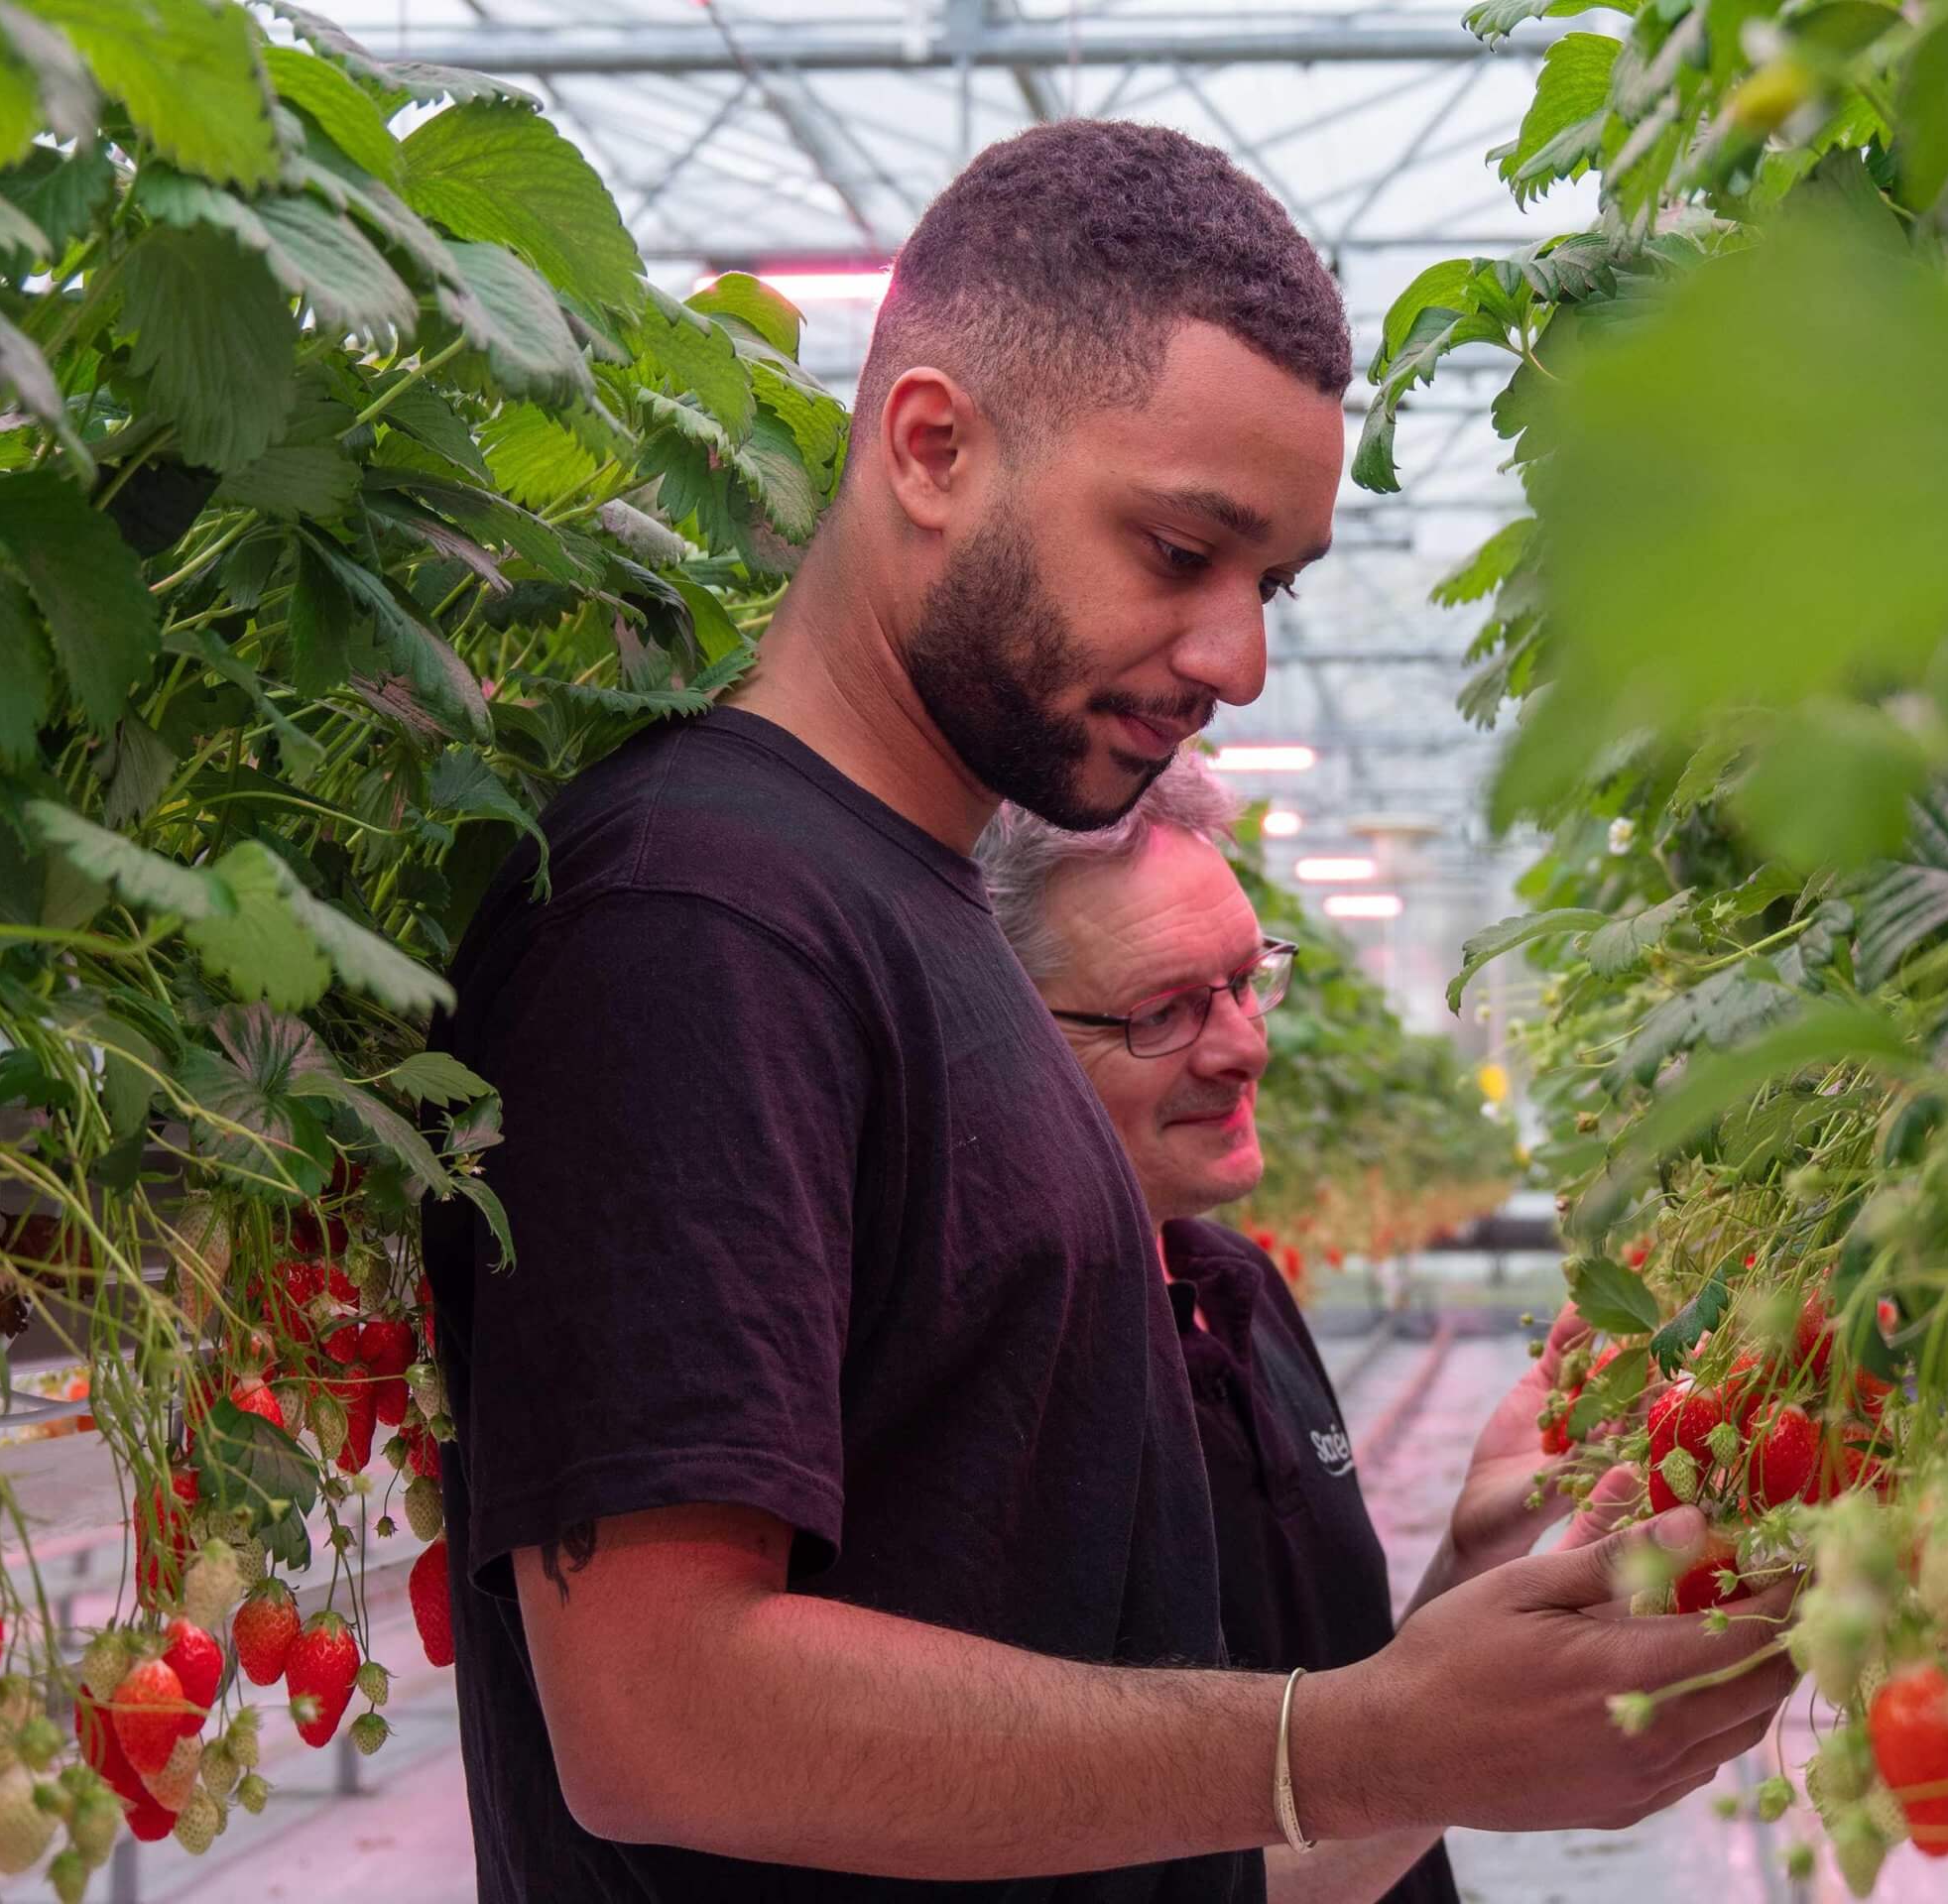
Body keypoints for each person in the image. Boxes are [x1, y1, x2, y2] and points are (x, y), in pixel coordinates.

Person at [423, 118, 1795, 1904]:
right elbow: (663, 1717)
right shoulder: (704, 915)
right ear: (931, 446)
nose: (1240, 658)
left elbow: (1101, 1776)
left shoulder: (925, 919)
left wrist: (1453, 1654)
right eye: (1177, 550)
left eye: (1272, 584)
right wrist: (1357, 1741)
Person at [983, 756, 1673, 1904]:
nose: (1244, 1045)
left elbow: (1352, 1717)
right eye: (1163, 1010)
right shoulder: (1004, 1375)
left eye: (1246, 981)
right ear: (995, 1028)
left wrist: (1477, 1551)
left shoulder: (1234, 1285)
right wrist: (1488, 1755)